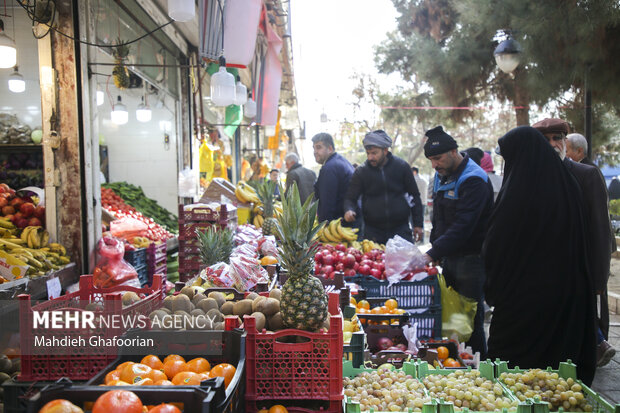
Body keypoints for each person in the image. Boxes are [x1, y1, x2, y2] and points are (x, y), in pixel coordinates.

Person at [483, 126, 597, 385]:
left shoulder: (518, 194)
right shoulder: (567, 186)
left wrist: (494, 288)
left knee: (512, 375)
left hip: (522, 303)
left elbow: (498, 247)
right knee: (554, 375)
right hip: (565, 299)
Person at [532, 118, 616, 367]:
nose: (552, 144)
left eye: (557, 138)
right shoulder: (530, 177)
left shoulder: (586, 175)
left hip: (578, 273)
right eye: (545, 140)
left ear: (565, 143)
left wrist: (598, 280)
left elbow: (600, 231)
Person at [421, 126, 493, 357]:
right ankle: (454, 360)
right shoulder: (441, 176)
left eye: (438, 158)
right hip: (451, 258)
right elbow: (439, 219)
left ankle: (479, 366)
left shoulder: (474, 179)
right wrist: (438, 251)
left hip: (472, 260)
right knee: (453, 315)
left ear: (454, 151)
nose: (434, 164)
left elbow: (464, 226)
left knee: (469, 317)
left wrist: (431, 252)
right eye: (431, 160)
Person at [343, 130, 423, 244]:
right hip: (373, 233)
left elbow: (414, 195)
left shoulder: (402, 167)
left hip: (401, 230)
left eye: (374, 153)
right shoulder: (361, 172)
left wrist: (418, 224)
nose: (370, 157)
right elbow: (350, 197)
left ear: (385, 150)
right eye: (368, 153)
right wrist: (348, 210)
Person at [312, 132, 356, 222]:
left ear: (330, 149)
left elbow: (327, 205)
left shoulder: (330, 168)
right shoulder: (341, 161)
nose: (315, 152)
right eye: (314, 148)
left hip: (341, 226)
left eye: (319, 147)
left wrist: (324, 226)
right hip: (351, 222)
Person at [411, 166, 428, 242]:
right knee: (421, 220)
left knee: (413, 222)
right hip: (424, 202)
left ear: (414, 172)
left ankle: (415, 238)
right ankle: (422, 239)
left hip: (416, 203)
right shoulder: (424, 180)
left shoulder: (413, 180)